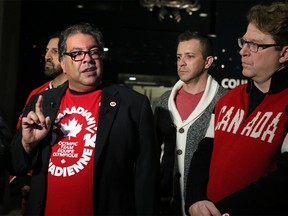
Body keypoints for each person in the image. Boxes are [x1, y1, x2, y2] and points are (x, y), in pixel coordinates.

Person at [8, 22, 158, 215]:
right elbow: (14, 164)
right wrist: (27, 145)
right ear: (63, 63)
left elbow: (147, 177)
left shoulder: (133, 105)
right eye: (77, 54)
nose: (88, 59)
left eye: (94, 52)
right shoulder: (42, 102)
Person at [185, 1, 288, 215]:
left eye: (256, 45)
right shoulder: (227, 100)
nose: (243, 51)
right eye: (244, 42)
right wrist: (195, 199)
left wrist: (223, 210)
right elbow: (204, 153)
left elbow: (284, 181)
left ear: (284, 53)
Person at [154, 30, 227, 215]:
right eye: (179, 56)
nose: (182, 62)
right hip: (165, 206)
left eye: (190, 56)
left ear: (208, 61)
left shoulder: (225, 102)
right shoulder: (164, 101)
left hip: (206, 206)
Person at [10, 31, 67, 216]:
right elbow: (20, 137)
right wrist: (22, 178)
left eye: (54, 51)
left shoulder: (80, 95)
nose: (47, 56)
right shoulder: (37, 93)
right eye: (46, 50)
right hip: (35, 186)